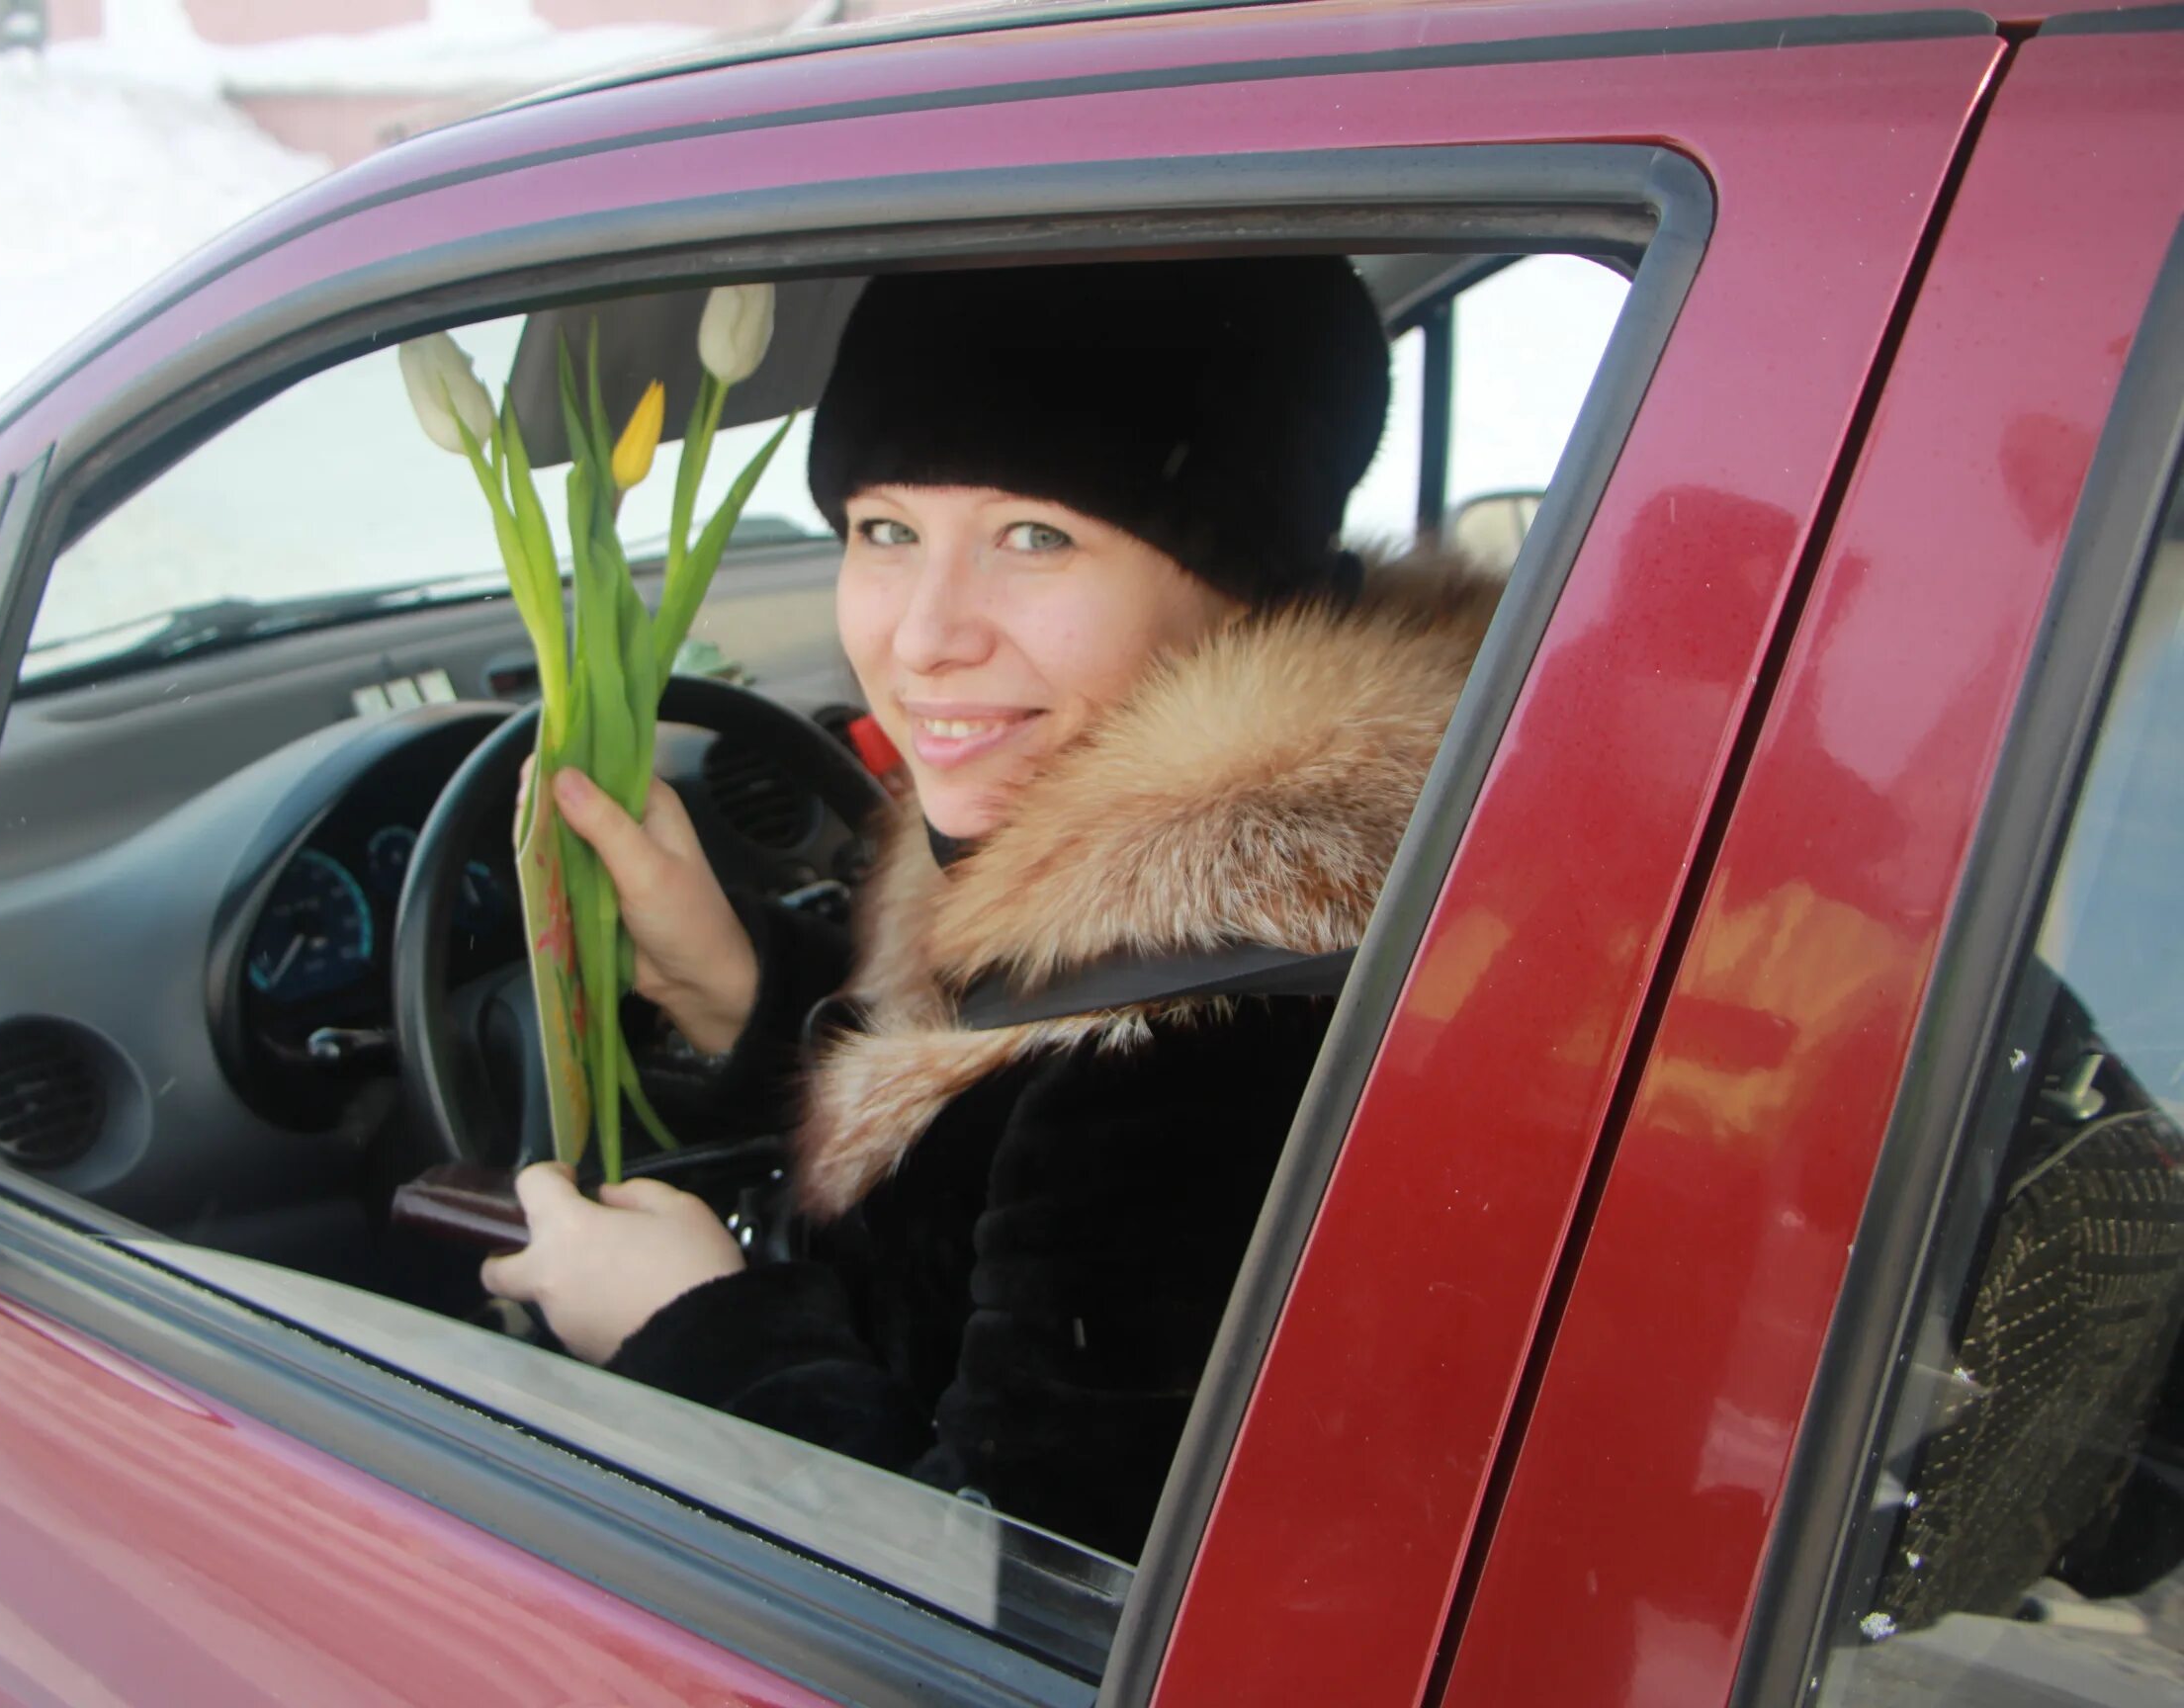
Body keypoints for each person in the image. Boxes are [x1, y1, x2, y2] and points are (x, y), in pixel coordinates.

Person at [480, 255, 1497, 1560]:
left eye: (1034, 535)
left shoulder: (1216, 1050)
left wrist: (696, 1332)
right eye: (885, 531)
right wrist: (747, 990)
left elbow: (996, 1609)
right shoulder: (1199, 892)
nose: (922, 637)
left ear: (1244, 580)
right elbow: (979, 1139)